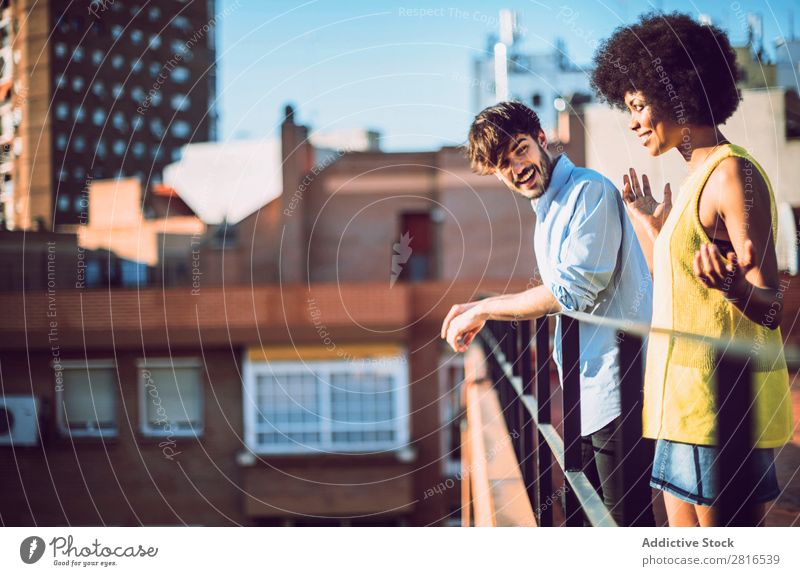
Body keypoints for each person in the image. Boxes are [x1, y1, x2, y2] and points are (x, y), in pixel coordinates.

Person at [590, 12, 794, 527]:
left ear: (678, 93)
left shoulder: (731, 173)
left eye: (638, 106)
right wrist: (650, 227)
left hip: (717, 409)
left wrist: (731, 286)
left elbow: (769, 307)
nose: (633, 121)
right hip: (678, 404)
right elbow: (682, 287)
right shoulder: (692, 179)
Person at [441, 101, 655, 526]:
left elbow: (570, 293)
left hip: (622, 389)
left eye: (520, 149)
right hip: (585, 394)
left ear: (541, 138)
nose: (516, 167)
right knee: (589, 523)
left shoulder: (587, 191)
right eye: (504, 164)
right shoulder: (547, 210)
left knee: (625, 527)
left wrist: (484, 309)